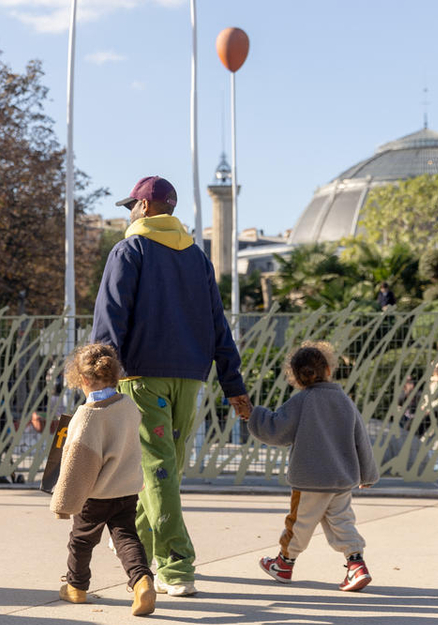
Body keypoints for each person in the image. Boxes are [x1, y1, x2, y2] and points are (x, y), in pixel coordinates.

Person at [91, 175, 251, 597]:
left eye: (131, 206)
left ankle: (177, 565)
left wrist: (99, 379)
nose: (128, 212)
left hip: (141, 377)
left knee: (158, 470)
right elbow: (219, 324)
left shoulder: (130, 249)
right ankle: (137, 548)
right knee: (165, 470)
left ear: (143, 207)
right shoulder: (197, 258)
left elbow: (111, 318)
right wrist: (232, 382)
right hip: (190, 378)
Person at [247, 341, 379, 592]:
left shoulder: (300, 402)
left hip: (309, 480)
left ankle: (284, 564)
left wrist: (254, 415)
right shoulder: (344, 400)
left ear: (295, 377)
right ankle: (356, 565)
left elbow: (276, 430)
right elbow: (360, 437)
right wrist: (367, 473)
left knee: (299, 524)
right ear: (329, 369)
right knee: (342, 522)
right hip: (341, 479)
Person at [51, 343, 156, 617]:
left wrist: (64, 503)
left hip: (96, 494)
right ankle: (142, 580)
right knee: (126, 537)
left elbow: (77, 465)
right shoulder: (128, 405)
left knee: (81, 540)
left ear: (83, 380)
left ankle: (76, 586)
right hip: (126, 489)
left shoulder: (86, 416)